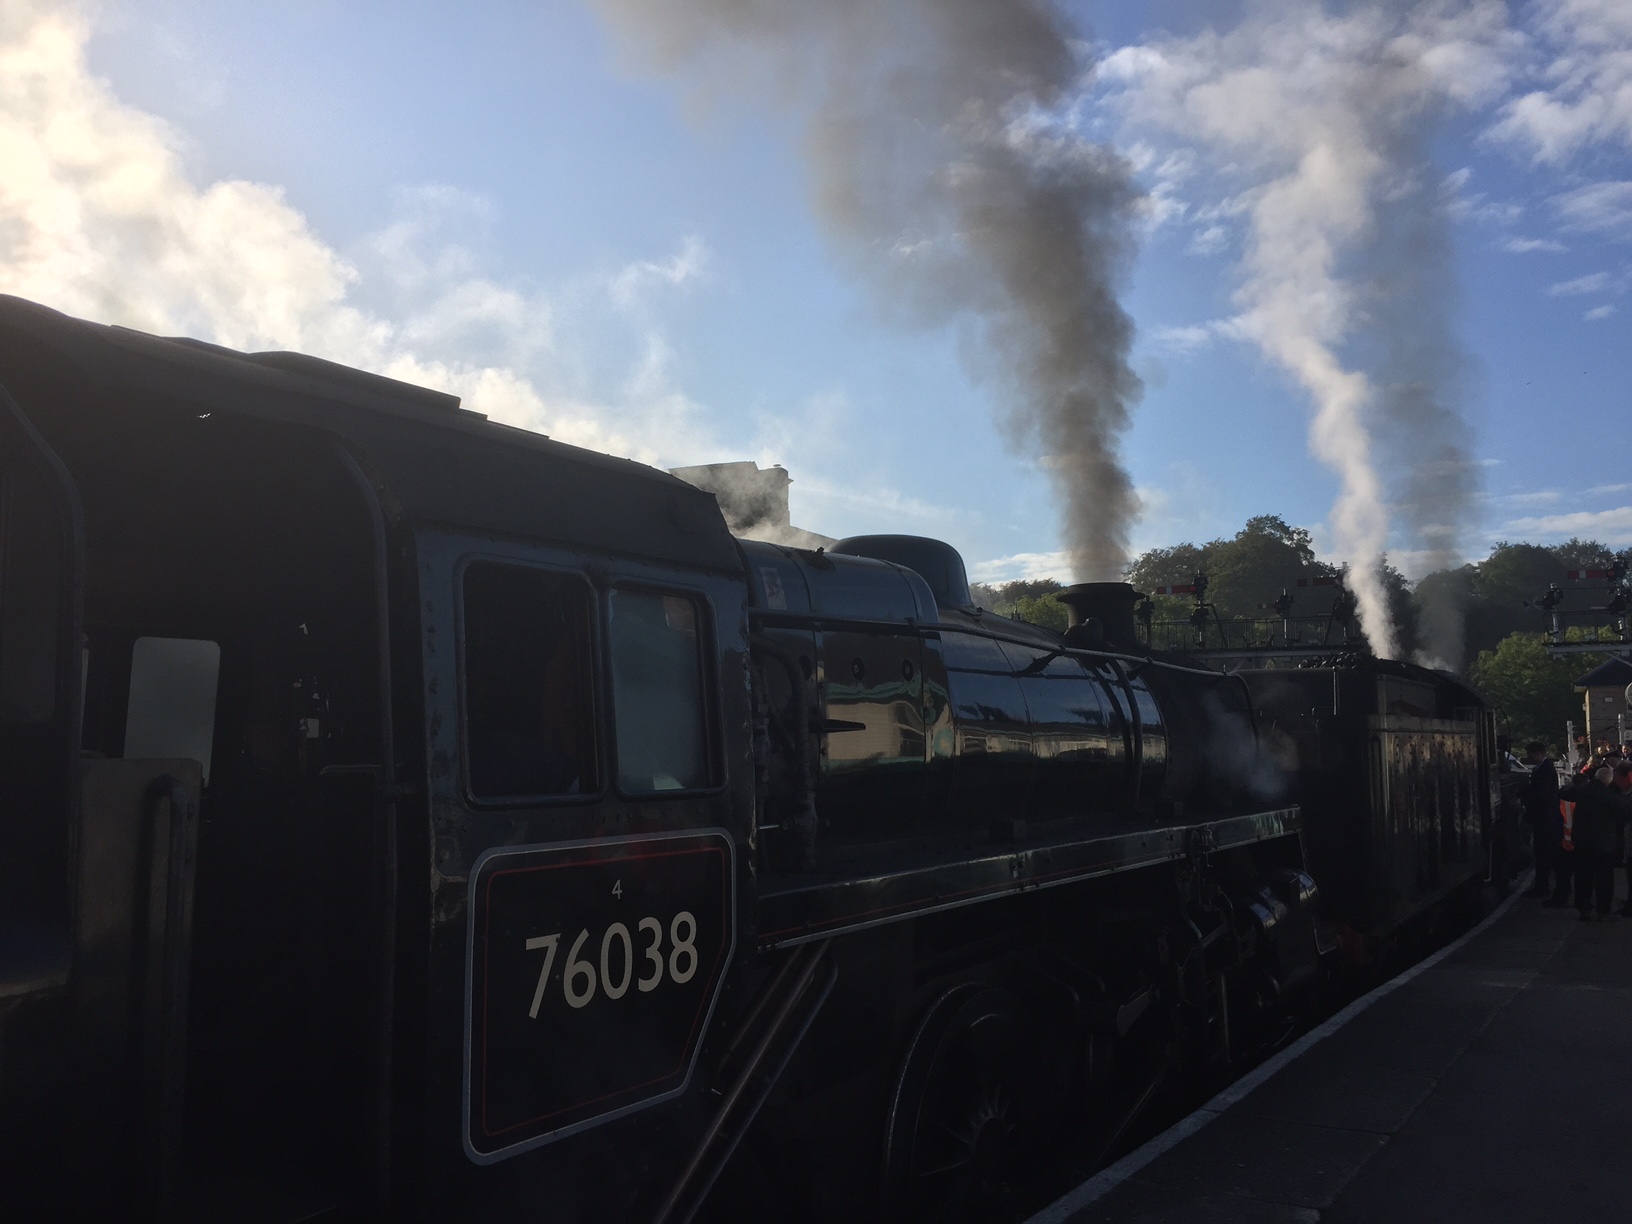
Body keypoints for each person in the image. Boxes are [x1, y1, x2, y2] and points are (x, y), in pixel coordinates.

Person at [1560, 766, 1631, 921]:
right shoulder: (1610, 796)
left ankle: (1583, 908)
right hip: (1604, 844)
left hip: (1582, 841)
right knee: (1604, 879)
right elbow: (1626, 813)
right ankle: (1603, 910)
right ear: (1609, 779)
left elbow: (1563, 795)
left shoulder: (1582, 791)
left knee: (1582, 877)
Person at [1522, 742, 1562, 898]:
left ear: (1536, 753)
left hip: (1544, 816)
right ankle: (1541, 885)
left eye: (1530, 754)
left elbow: (1541, 793)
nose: (1528, 758)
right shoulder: (1544, 767)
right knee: (1542, 852)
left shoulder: (1545, 769)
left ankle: (1541, 886)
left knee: (1543, 852)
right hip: (1544, 815)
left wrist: (1526, 798)